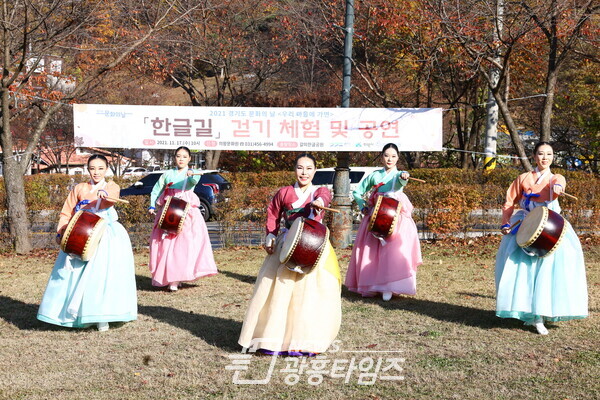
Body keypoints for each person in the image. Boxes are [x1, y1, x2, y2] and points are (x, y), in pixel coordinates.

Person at [238, 153, 341, 356]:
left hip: (314, 245)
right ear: (295, 170)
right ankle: (272, 339)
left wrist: (319, 200)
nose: (304, 172)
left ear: (314, 171)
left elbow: (325, 195)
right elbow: (273, 214)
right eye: (300, 168)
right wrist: (270, 235)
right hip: (287, 244)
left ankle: (306, 340)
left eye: (309, 168)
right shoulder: (284, 192)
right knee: (279, 292)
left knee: (312, 292)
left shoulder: (318, 191)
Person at [495, 141, 588, 335]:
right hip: (526, 224)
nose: (545, 158)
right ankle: (530, 314)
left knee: (547, 271)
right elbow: (509, 202)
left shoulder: (555, 177)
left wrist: (558, 188)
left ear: (553, 157)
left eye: (549, 154)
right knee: (523, 271)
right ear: (534, 157)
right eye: (540, 154)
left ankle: (541, 314)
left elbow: (559, 182)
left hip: (550, 227)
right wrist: (506, 222)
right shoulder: (523, 178)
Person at [37, 155, 137, 331]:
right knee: (72, 275)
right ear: (88, 169)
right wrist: (62, 231)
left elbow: (112, 197)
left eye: (100, 168)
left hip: (105, 235)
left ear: (106, 169)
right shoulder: (80, 188)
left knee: (100, 275)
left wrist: (105, 196)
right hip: (79, 234)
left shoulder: (111, 186)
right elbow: (66, 212)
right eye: (92, 168)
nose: (96, 172)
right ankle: (70, 314)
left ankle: (102, 316)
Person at [345, 143, 422, 301]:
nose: (390, 159)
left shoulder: (398, 174)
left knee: (392, 252)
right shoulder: (374, 175)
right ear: (381, 157)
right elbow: (358, 192)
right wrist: (362, 205)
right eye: (387, 155)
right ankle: (373, 285)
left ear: (398, 158)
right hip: (375, 214)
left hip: (395, 216)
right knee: (371, 251)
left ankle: (390, 286)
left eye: (393, 156)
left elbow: (401, 181)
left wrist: (404, 176)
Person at [148, 146, 217, 291]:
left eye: (184, 156)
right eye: (178, 156)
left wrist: (192, 175)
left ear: (189, 159)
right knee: (166, 246)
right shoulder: (167, 174)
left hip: (186, 213)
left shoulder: (192, 173)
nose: (181, 159)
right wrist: (152, 206)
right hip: (169, 212)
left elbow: (193, 182)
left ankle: (177, 278)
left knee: (183, 247)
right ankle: (169, 277)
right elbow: (156, 190)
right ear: (174, 158)